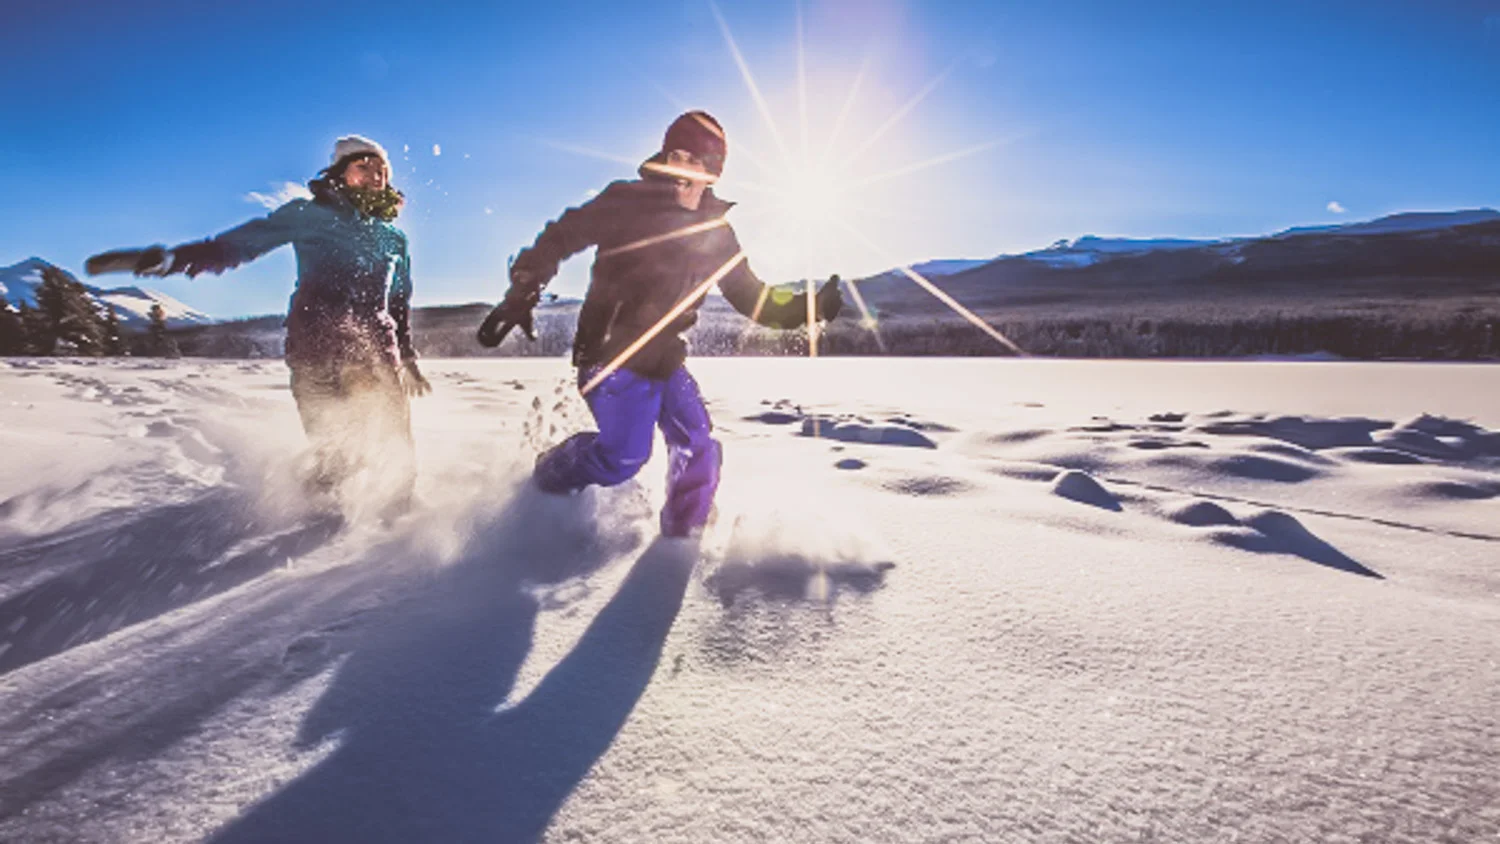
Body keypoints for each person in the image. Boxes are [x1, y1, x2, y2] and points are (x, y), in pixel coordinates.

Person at [488, 111, 843, 538]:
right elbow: (563, 234)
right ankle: (549, 475)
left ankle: (682, 534)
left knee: (698, 445)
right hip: (609, 354)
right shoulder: (626, 202)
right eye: (675, 155)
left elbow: (752, 296)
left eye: (695, 160)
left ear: (713, 171)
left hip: (665, 359)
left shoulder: (718, 233)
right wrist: (527, 282)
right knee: (623, 458)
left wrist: (808, 308)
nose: (682, 168)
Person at [104, 135, 430, 508]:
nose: (376, 176)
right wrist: (175, 260)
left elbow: (399, 301)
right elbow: (242, 243)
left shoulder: (394, 239)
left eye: (382, 170)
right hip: (315, 351)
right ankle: (309, 517)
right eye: (364, 167)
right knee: (335, 457)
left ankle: (403, 524)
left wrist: (406, 353)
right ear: (340, 173)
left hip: (375, 354)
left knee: (395, 445)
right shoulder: (309, 215)